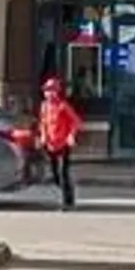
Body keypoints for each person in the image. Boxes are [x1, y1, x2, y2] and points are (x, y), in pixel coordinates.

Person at [33, 73, 81, 209]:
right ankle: (68, 191)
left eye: (52, 90)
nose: (49, 94)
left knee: (62, 173)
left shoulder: (63, 106)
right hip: (51, 144)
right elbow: (43, 122)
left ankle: (68, 202)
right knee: (55, 175)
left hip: (63, 144)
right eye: (47, 91)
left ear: (57, 92)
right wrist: (43, 135)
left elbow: (76, 122)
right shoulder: (44, 106)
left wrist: (71, 136)